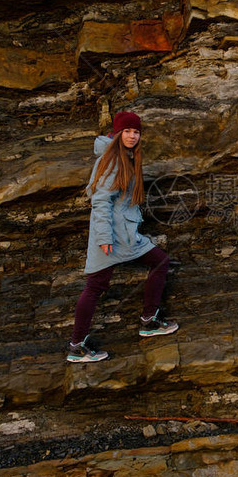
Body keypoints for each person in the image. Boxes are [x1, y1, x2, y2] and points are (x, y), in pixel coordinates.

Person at [67, 111, 178, 363]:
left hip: (123, 233)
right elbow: (101, 201)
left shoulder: (124, 157)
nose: (132, 136)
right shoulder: (112, 160)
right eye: (127, 131)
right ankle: (145, 321)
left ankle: (147, 321)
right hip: (114, 236)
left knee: (155, 263)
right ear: (117, 133)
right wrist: (104, 238)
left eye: (136, 132)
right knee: (97, 285)